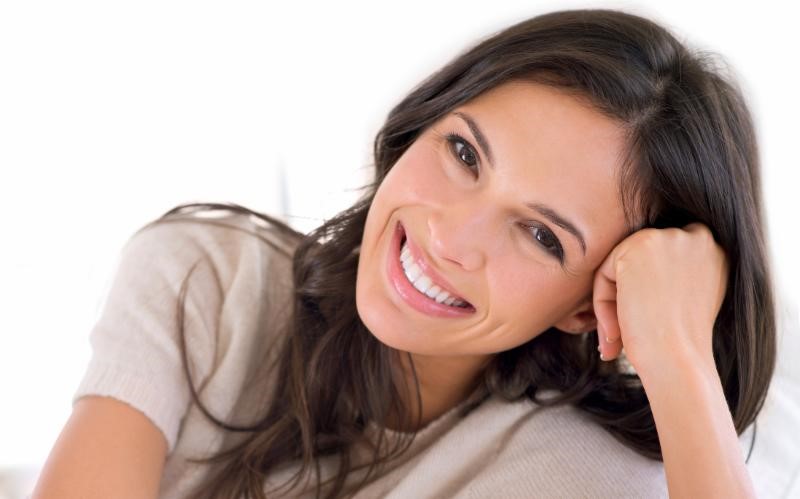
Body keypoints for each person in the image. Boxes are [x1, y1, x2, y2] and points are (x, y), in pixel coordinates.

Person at [32, 7, 775, 499]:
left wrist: (678, 353)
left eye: (541, 234)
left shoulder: (570, 468)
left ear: (592, 301)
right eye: (463, 152)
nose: (450, 237)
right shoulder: (207, 278)